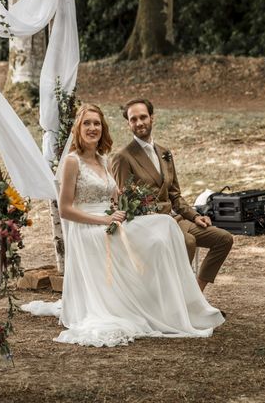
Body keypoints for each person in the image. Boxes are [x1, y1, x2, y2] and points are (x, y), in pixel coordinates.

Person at [22, 104, 224, 347]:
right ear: (78, 128)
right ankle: (152, 303)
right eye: (87, 123)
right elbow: (65, 210)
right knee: (155, 237)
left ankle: (166, 300)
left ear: (103, 128)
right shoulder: (72, 162)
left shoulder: (104, 161)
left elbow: (115, 196)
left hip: (112, 220)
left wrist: (130, 202)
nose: (92, 128)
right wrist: (104, 220)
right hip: (87, 229)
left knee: (163, 227)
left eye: (97, 123)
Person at [111, 98, 233, 292]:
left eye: (143, 117)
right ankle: (174, 298)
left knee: (223, 239)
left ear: (152, 118)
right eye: (133, 119)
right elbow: (125, 203)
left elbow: (175, 195)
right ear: (128, 123)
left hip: (176, 219)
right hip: (149, 224)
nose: (139, 122)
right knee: (188, 241)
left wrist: (195, 216)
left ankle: (195, 295)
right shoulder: (123, 158)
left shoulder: (165, 152)